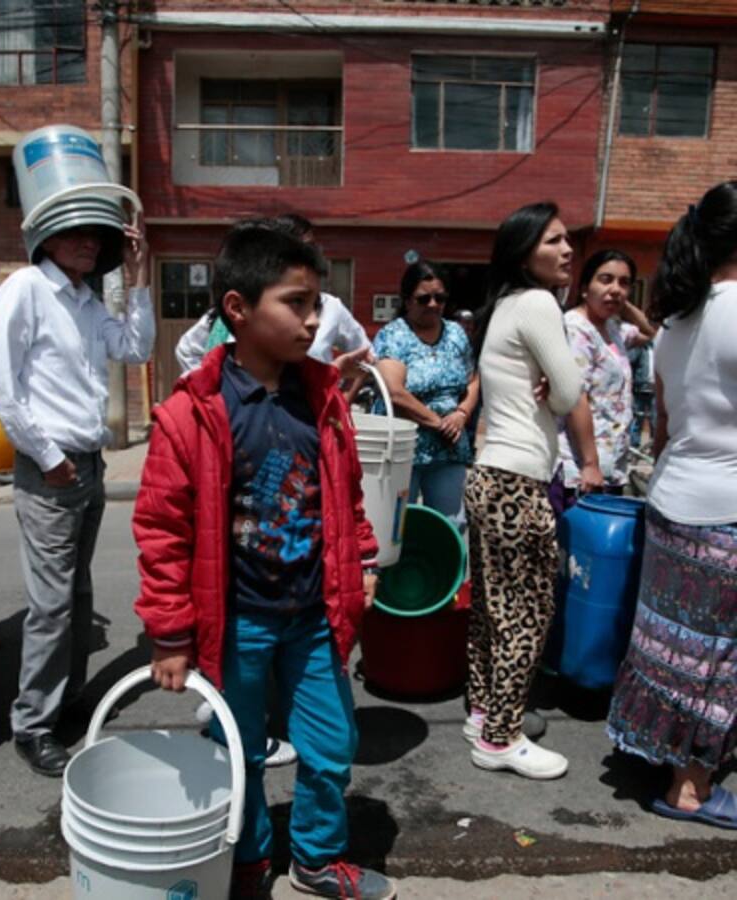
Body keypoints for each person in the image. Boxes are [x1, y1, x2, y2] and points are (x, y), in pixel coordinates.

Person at [134, 220, 392, 900]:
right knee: (239, 753)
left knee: (332, 744)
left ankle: (314, 858)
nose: (314, 320)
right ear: (238, 311)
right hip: (236, 621)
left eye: (317, 303)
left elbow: (347, 496)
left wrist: (362, 558)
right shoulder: (191, 414)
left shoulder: (323, 398)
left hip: (313, 616)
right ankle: (246, 861)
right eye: (297, 302)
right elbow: (162, 529)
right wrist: (170, 633)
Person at [0, 212, 153, 778]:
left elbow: (135, 348)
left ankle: (66, 701)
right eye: (78, 232)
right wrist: (48, 458)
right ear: (46, 237)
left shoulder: (84, 299)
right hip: (49, 464)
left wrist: (139, 277)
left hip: (87, 462)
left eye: (98, 237)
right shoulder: (26, 288)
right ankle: (32, 724)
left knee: (77, 592)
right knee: (52, 603)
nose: (89, 243)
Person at [606, 181, 737, 829]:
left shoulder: (679, 321)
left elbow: (661, 427)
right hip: (725, 513)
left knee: (673, 643)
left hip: (673, 498)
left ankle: (665, 756)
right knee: (717, 653)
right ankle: (691, 787)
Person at [463, 202, 602, 780]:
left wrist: (549, 381)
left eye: (568, 240)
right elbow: (569, 392)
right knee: (528, 609)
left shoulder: (501, 309)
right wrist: (558, 383)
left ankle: (484, 713)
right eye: (552, 241)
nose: (567, 250)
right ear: (524, 252)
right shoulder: (541, 303)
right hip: (518, 481)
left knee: (491, 610)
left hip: (488, 475)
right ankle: (501, 737)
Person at [175, 214, 371, 382]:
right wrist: (206, 385)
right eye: (295, 302)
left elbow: (367, 359)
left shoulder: (331, 308)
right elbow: (187, 349)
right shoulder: (203, 409)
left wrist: (339, 391)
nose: (313, 322)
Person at [372, 260, 478, 529]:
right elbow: (394, 393)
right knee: (396, 527)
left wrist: (462, 414)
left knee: (452, 525)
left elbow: (473, 379)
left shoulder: (456, 334)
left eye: (439, 297)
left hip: (449, 450)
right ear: (407, 300)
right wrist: (438, 422)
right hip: (404, 450)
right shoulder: (394, 336)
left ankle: (448, 573)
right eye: (424, 298)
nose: (432, 304)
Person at [552, 250, 656, 512]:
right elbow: (577, 397)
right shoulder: (576, 328)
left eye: (624, 282)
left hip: (610, 463)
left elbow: (650, 331)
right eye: (606, 279)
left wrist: (620, 302)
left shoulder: (613, 328)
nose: (616, 288)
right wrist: (590, 465)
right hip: (580, 468)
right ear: (585, 287)